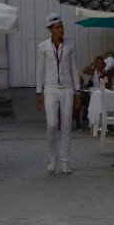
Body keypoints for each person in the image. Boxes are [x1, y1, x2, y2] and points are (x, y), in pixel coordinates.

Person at [35, 13, 81, 175]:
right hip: (50, 88)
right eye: (57, 27)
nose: (61, 30)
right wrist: (38, 92)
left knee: (67, 126)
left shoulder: (70, 45)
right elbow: (40, 69)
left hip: (68, 88)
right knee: (52, 124)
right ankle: (52, 157)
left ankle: (65, 162)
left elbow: (74, 68)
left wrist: (78, 91)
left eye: (62, 26)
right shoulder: (43, 47)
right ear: (50, 30)